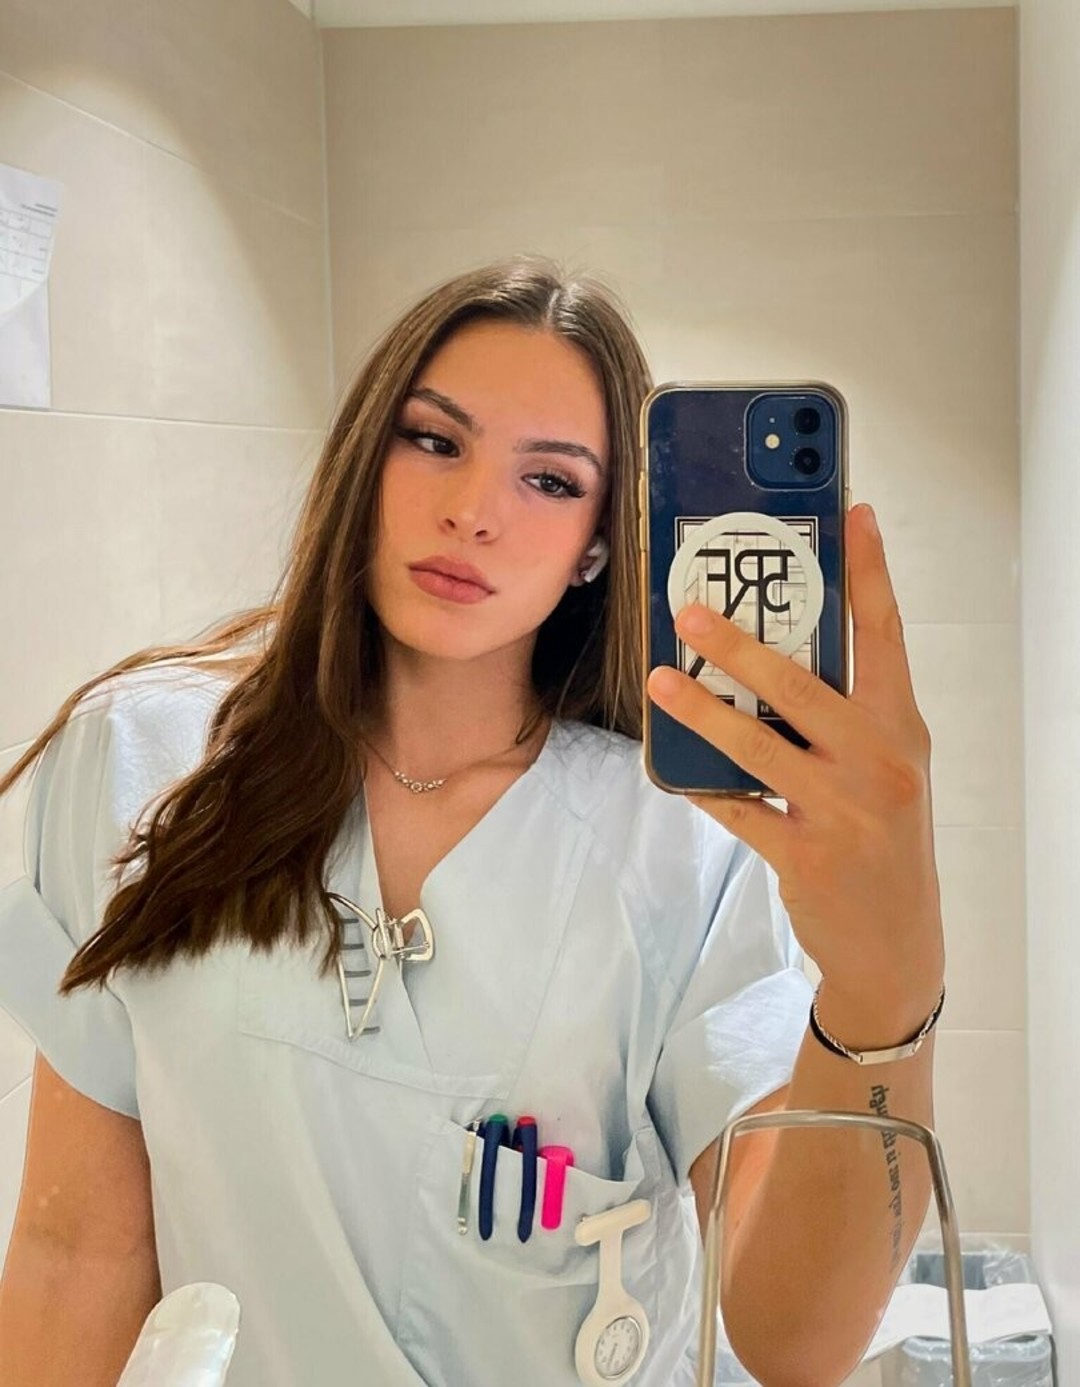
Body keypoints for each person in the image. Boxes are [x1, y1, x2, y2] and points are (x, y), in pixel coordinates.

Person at [0, 256, 945, 1387]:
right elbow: (75, 1253)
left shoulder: (685, 844)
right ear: (365, 455)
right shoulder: (141, 764)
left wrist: (886, 988)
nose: (473, 513)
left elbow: (792, 1340)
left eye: (549, 480)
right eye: (434, 440)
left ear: (600, 542)